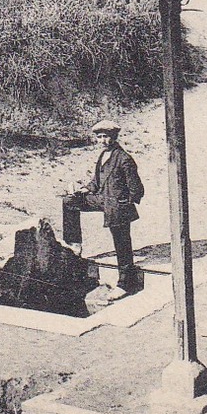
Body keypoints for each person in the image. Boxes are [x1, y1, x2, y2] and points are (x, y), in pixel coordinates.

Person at [62, 120, 145, 292]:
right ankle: (74, 244)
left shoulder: (124, 159)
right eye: (99, 137)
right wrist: (85, 189)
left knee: (122, 243)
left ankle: (125, 283)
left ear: (114, 137)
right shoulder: (103, 156)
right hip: (102, 199)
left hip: (117, 206)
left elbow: (137, 190)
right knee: (69, 202)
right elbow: (96, 181)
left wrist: (123, 203)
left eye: (105, 137)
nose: (102, 141)